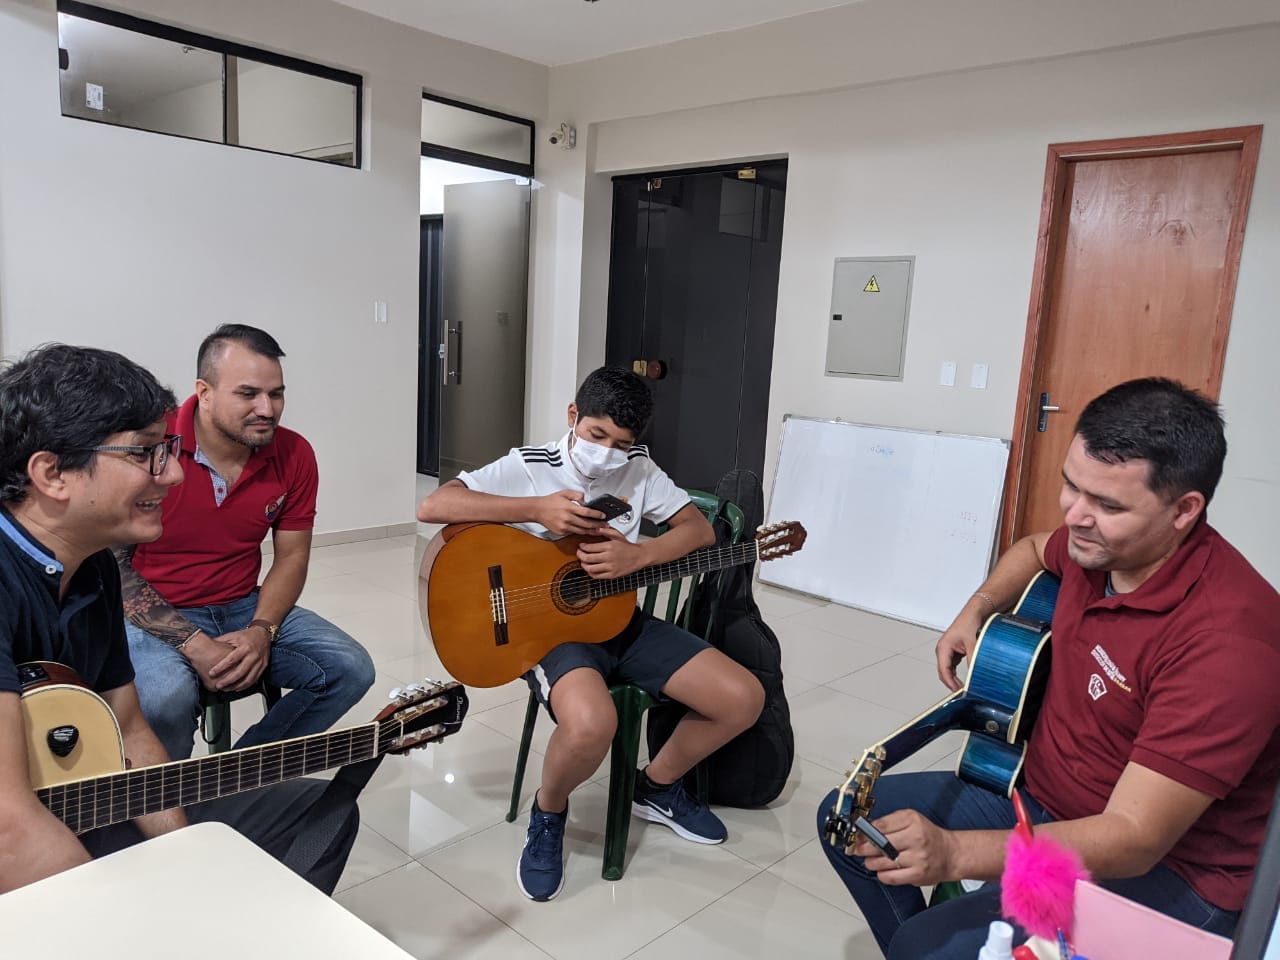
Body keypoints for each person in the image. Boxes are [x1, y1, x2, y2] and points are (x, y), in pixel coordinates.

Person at [817, 377, 1280, 959]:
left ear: (1185, 510)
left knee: (926, 945)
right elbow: (1035, 548)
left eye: (1108, 504)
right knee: (845, 822)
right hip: (1039, 797)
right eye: (1071, 486)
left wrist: (956, 854)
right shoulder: (1101, 548)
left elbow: (1134, 838)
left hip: (1168, 869)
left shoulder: (1228, 645)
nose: (1076, 515)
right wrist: (976, 609)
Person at [0, 343, 358, 894]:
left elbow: (128, 729)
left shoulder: (93, 566)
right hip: (23, 838)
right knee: (164, 692)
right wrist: (171, 910)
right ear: (52, 473)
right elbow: (10, 826)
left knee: (322, 810)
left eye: (165, 449)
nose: (170, 475)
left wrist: (184, 854)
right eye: (144, 453)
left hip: (74, 804)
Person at [417, 366, 764, 902]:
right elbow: (434, 506)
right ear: (573, 416)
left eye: (621, 444)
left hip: (621, 621)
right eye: (597, 435)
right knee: (591, 725)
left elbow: (697, 529)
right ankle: (549, 812)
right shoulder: (531, 465)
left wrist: (641, 554)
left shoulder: (639, 469)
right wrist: (535, 509)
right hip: (552, 635)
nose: (607, 453)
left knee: (742, 698)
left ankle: (656, 787)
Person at [117, 324, 374, 761]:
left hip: (241, 604)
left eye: (276, 394)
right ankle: (167, 796)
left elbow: (292, 556)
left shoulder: (294, 454)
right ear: (204, 392)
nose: (267, 409)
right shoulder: (151, 444)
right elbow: (111, 568)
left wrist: (262, 629)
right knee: (163, 699)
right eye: (248, 394)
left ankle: (237, 780)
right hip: (153, 610)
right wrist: (194, 643)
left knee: (350, 668)